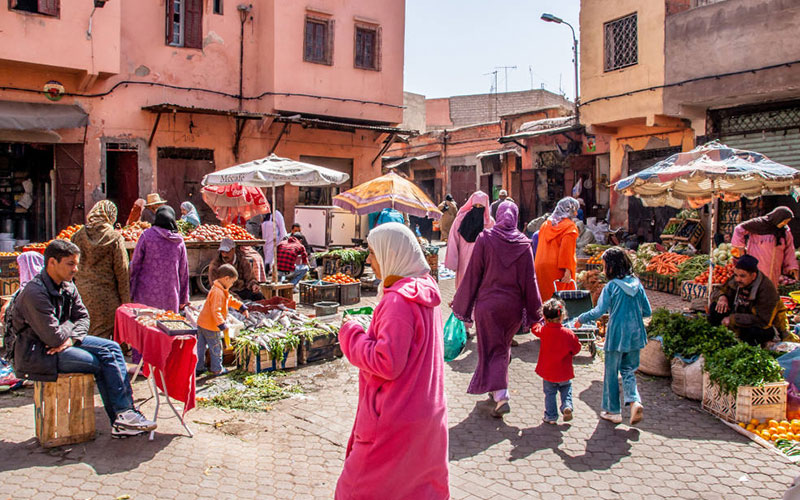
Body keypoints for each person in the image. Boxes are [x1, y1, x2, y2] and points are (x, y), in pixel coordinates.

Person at [336, 222, 448, 499]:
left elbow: (386, 362)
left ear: (390, 253)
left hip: (393, 417)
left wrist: (351, 334)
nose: (370, 261)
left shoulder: (398, 301)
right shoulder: (425, 290)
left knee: (354, 489)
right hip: (424, 415)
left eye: (373, 253)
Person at [9, 240, 156, 437]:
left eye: (76, 263)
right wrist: (68, 330)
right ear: (52, 262)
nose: (75, 269)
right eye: (70, 264)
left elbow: (83, 317)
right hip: (38, 353)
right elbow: (54, 338)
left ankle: (124, 415)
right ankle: (122, 415)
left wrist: (71, 338)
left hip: (63, 344)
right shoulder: (35, 292)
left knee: (112, 347)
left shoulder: (67, 285)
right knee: (99, 361)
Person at [451, 201, 543, 418]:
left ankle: (502, 395)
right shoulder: (523, 243)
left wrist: (461, 301)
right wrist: (536, 312)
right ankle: (496, 391)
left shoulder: (486, 238)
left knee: (492, 348)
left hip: (487, 306)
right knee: (502, 347)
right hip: (512, 308)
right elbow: (530, 281)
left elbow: (473, 273)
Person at [575, 247, 651, 425]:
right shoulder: (637, 284)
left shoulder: (611, 287)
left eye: (604, 266)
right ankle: (634, 401)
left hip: (617, 334)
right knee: (628, 370)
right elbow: (647, 311)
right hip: (636, 335)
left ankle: (613, 411)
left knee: (611, 373)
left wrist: (581, 318)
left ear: (611, 267)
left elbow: (599, 311)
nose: (603, 270)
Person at [71, 200, 131, 339]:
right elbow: (122, 271)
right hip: (106, 296)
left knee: (84, 334)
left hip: (82, 294)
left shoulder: (77, 236)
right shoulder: (114, 237)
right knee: (102, 340)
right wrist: (126, 302)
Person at [710, 254, 788, 345]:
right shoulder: (736, 280)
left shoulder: (766, 289)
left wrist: (732, 319)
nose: (738, 279)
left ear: (753, 276)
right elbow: (720, 290)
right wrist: (722, 297)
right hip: (740, 314)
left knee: (752, 333)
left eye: (742, 276)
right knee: (715, 308)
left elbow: (762, 321)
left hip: (762, 325)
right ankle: (718, 337)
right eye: (736, 275)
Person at [130, 206, 190, 313]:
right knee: (167, 325)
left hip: (146, 294)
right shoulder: (178, 241)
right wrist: (183, 299)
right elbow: (183, 272)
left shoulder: (146, 236)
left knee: (146, 324)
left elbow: (135, 265)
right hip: (170, 296)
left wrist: (131, 291)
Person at [534, 298, 581, 425]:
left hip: (548, 372)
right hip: (564, 371)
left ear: (544, 316)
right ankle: (567, 405)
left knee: (550, 394)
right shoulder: (568, 333)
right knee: (566, 388)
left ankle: (551, 416)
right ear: (562, 316)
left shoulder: (544, 331)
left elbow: (535, 329)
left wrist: (536, 323)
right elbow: (576, 348)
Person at [196, 263, 248, 375]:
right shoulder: (218, 292)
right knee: (216, 347)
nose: (232, 284)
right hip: (211, 326)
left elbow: (230, 299)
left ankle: (198, 367)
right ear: (226, 278)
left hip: (202, 323)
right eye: (232, 282)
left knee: (200, 348)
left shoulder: (219, 289)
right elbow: (216, 310)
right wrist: (221, 324)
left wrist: (241, 306)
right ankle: (216, 369)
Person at [732, 206, 799, 285]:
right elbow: (739, 229)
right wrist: (740, 248)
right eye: (783, 221)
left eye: (786, 222)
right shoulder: (758, 224)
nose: (784, 224)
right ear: (777, 218)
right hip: (757, 265)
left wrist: (792, 267)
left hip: (774, 269)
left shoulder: (785, 231)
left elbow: (789, 250)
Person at [445, 191, 494, 289]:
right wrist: (453, 262)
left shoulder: (489, 222)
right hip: (464, 260)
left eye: (481, 206)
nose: (478, 208)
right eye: (476, 205)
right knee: (464, 287)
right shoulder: (461, 219)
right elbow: (453, 241)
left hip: (482, 261)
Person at [535, 197, 580, 301]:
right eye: (574, 210)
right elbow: (566, 250)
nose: (576, 214)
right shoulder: (570, 227)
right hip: (558, 268)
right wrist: (567, 270)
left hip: (540, 266)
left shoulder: (545, 224)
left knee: (545, 299)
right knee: (560, 301)